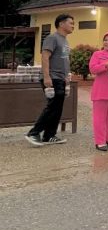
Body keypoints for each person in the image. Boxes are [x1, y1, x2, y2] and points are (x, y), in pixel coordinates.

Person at [25, 13, 74, 147]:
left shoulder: (65, 40)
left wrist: (66, 77)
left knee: (57, 108)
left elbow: (64, 61)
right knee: (52, 106)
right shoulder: (52, 38)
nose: (73, 26)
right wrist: (47, 77)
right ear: (61, 24)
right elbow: (45, 57)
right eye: (71, 23)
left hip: (60, 79)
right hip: (52, 78)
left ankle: (49, 135)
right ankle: (34, 133)